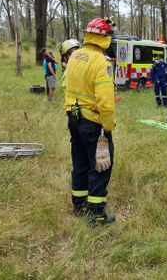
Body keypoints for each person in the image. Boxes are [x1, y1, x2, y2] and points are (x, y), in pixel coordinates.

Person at [63, 17, 116, 225]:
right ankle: (97, 214)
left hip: (73, 119)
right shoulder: (102, 62)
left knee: (80, 162)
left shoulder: (75, 55)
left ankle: (79, 205)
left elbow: (66, 85)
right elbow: (106, 101)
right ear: (104, 38)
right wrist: (108, 126)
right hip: (93, 123)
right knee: (100, 166)